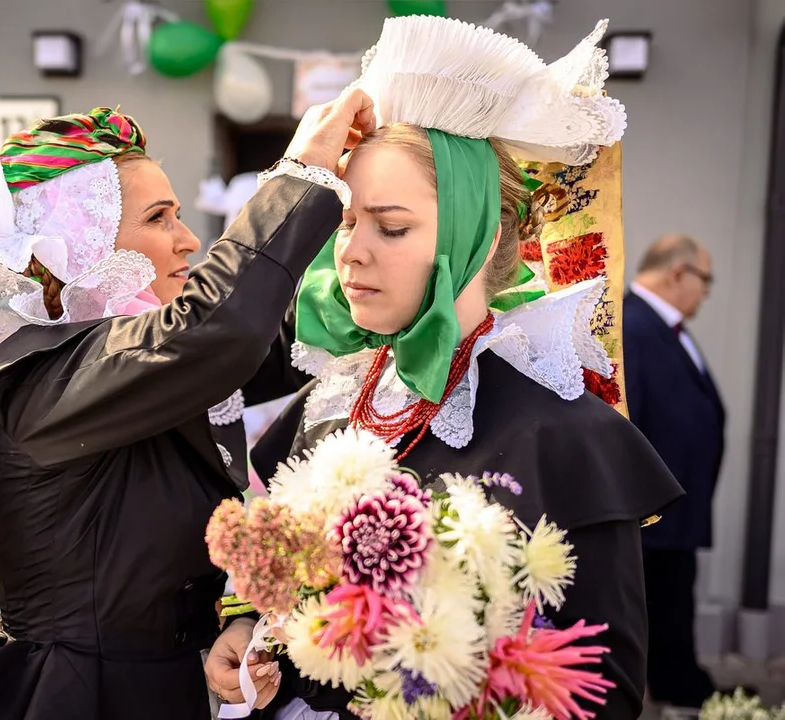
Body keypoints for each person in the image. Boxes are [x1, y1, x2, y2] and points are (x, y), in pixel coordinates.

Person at [209, 16, 685, 719]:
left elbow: (602, 689)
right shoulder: (330, 399)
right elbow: (273, 574)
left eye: (391, 227)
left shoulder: (562, 433)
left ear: (473, 234)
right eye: (343, 223)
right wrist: (248, 629)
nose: (350, 253)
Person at [0, 94, 374, 719]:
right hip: (82, 697)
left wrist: (383, 273)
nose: (188, 239)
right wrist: (303, 172)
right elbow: (216, 331)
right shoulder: (38, 378)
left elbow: (273, 339)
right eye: (160, 217)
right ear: (78, 241)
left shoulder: (121, 354)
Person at [625, 234, 724, 708]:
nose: (707, 290)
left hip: (672, 512)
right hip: (652, 515)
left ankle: (681, 684)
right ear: (677, 273)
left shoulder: (665, 328)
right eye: (704, 279)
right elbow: (628, 420)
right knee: (658, 611)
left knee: (671, 608)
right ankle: (676, 691)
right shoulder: (633, 325)